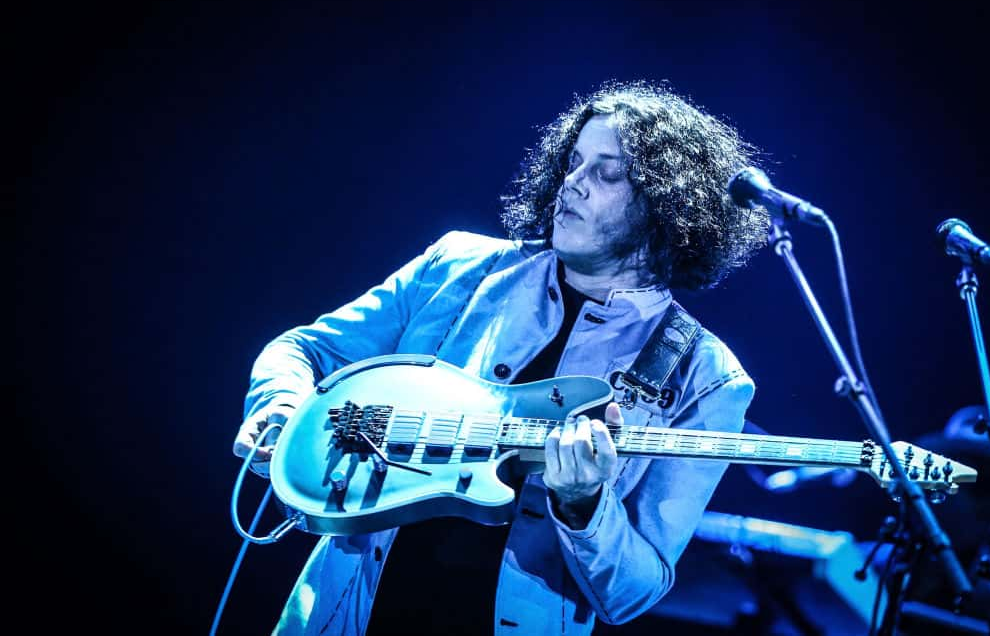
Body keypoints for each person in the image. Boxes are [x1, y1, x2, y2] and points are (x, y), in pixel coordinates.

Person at [233, 79, 770, 635]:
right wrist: (279, 404)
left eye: (605, 172)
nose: (573, 184)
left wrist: (584, 506)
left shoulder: (704, 375)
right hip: (346, 615)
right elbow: (304, 350)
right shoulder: (459, 266)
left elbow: (633, 593)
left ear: (667, 206)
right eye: (574, 161)